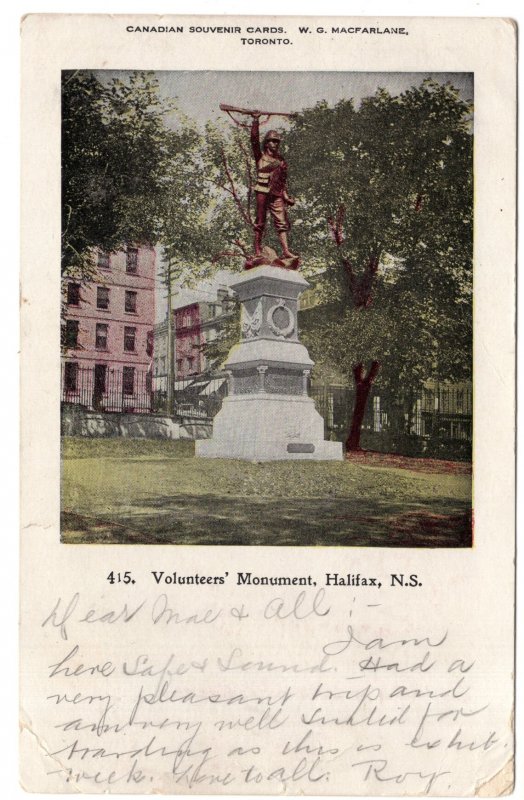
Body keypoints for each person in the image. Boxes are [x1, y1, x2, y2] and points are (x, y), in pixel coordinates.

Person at [250, 114, 298, 260]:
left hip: (276, 193)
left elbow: (283, 181)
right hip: (262, 191)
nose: (275, 144)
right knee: (260, 222)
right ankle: (258, 250)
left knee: (282, 223)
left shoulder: (281, 160)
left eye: (277, 142)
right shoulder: (260, 156)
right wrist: (256, 121)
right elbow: (253, 140)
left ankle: (286, 251)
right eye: (272, 141)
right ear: (266, 143)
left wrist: (286, 197)